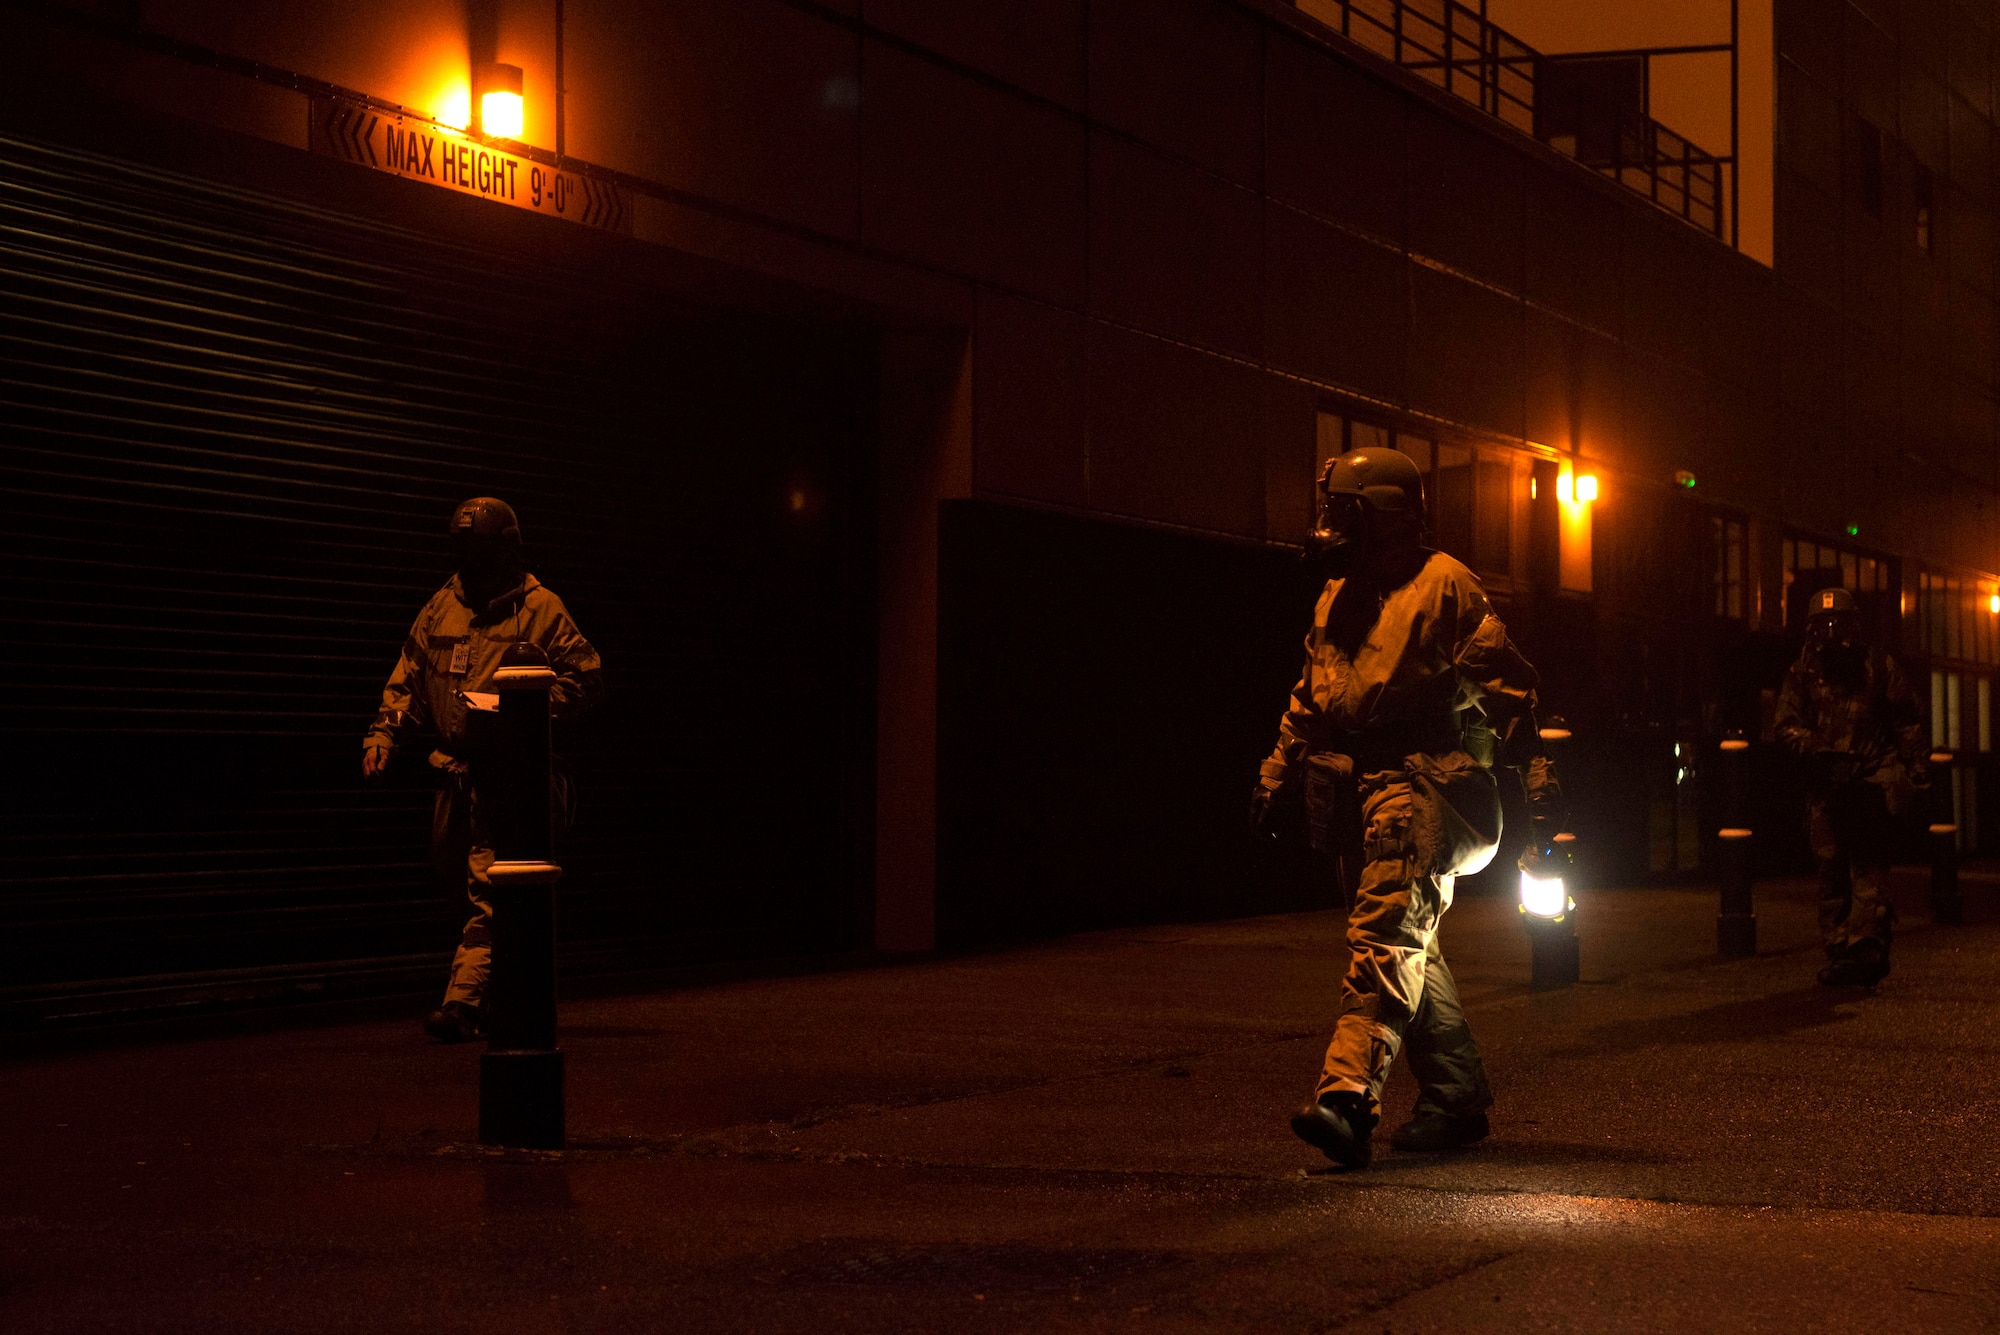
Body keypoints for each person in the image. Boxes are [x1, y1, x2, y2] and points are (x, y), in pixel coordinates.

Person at [1251, 448, 1563, 1168]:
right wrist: (1276, 774)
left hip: (1427, 788)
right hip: (1363, 788)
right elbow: (1310, 695)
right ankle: (1454, 1094)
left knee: (1383, 938)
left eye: (1343, 509)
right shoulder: (1339, 595)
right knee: (1407, 938)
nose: (1330, 523)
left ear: (1383, 514)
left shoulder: (1444, 585)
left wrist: (1542, 795)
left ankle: (1347, 1098)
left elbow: (1514, 697)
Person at [363, 498, 604, 1042]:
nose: (468, 563)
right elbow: (410, 681)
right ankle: (506, 994)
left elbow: (587, 677)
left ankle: (463, 1002)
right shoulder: (442, 607)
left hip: (513, 774)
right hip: (456, 774)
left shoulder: (540, 610)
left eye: (477, 551)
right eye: (460, 551)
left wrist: (523, 705)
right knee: (469, 882)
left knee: (488, 888)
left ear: (507, 548)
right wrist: (384, 734)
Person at [1775, 585, 1926, 988]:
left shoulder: (1877, 667)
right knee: (1831, 872)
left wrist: (1914, 776)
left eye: (1837, 624)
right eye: (1822, 625)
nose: (1830, 633)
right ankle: (1840, 952)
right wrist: (1815, 748)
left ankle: (1867, 947)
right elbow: (1784, 724)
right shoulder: (1803, 671)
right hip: (1826, 787)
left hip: (1870, 781)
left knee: (1868, 870)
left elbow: (1908, 722)